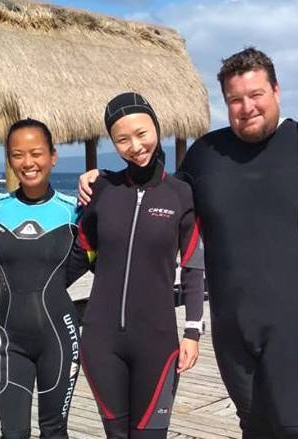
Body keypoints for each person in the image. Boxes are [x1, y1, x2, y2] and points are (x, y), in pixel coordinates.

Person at [79, 50, 298, 438]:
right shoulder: (207, 153)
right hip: (234, 324)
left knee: (297, 429)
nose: (246, 107)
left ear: (277, 91)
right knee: (254, 425)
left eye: (256, 95)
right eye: (235, 99)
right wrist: (106, 180)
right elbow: (159, 192)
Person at [67, 92, 205, 438]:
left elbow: (192, 266)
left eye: (142, 133)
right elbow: (80, 254)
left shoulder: (181, 194)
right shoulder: (102, 189)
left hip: (157, 344)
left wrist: (192, 331)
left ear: (157, 129)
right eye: (122, 139)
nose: (135, 146)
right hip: (101, 342)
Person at [0, 118, 80, 439]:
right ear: (9, 159)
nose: (28, 162)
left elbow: (105, 261)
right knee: (13, 433)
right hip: (9, 340)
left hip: (59, 339)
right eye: (18, 154)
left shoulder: (74, 210)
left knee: (54, 430)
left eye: (36, 153)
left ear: (53, 156)